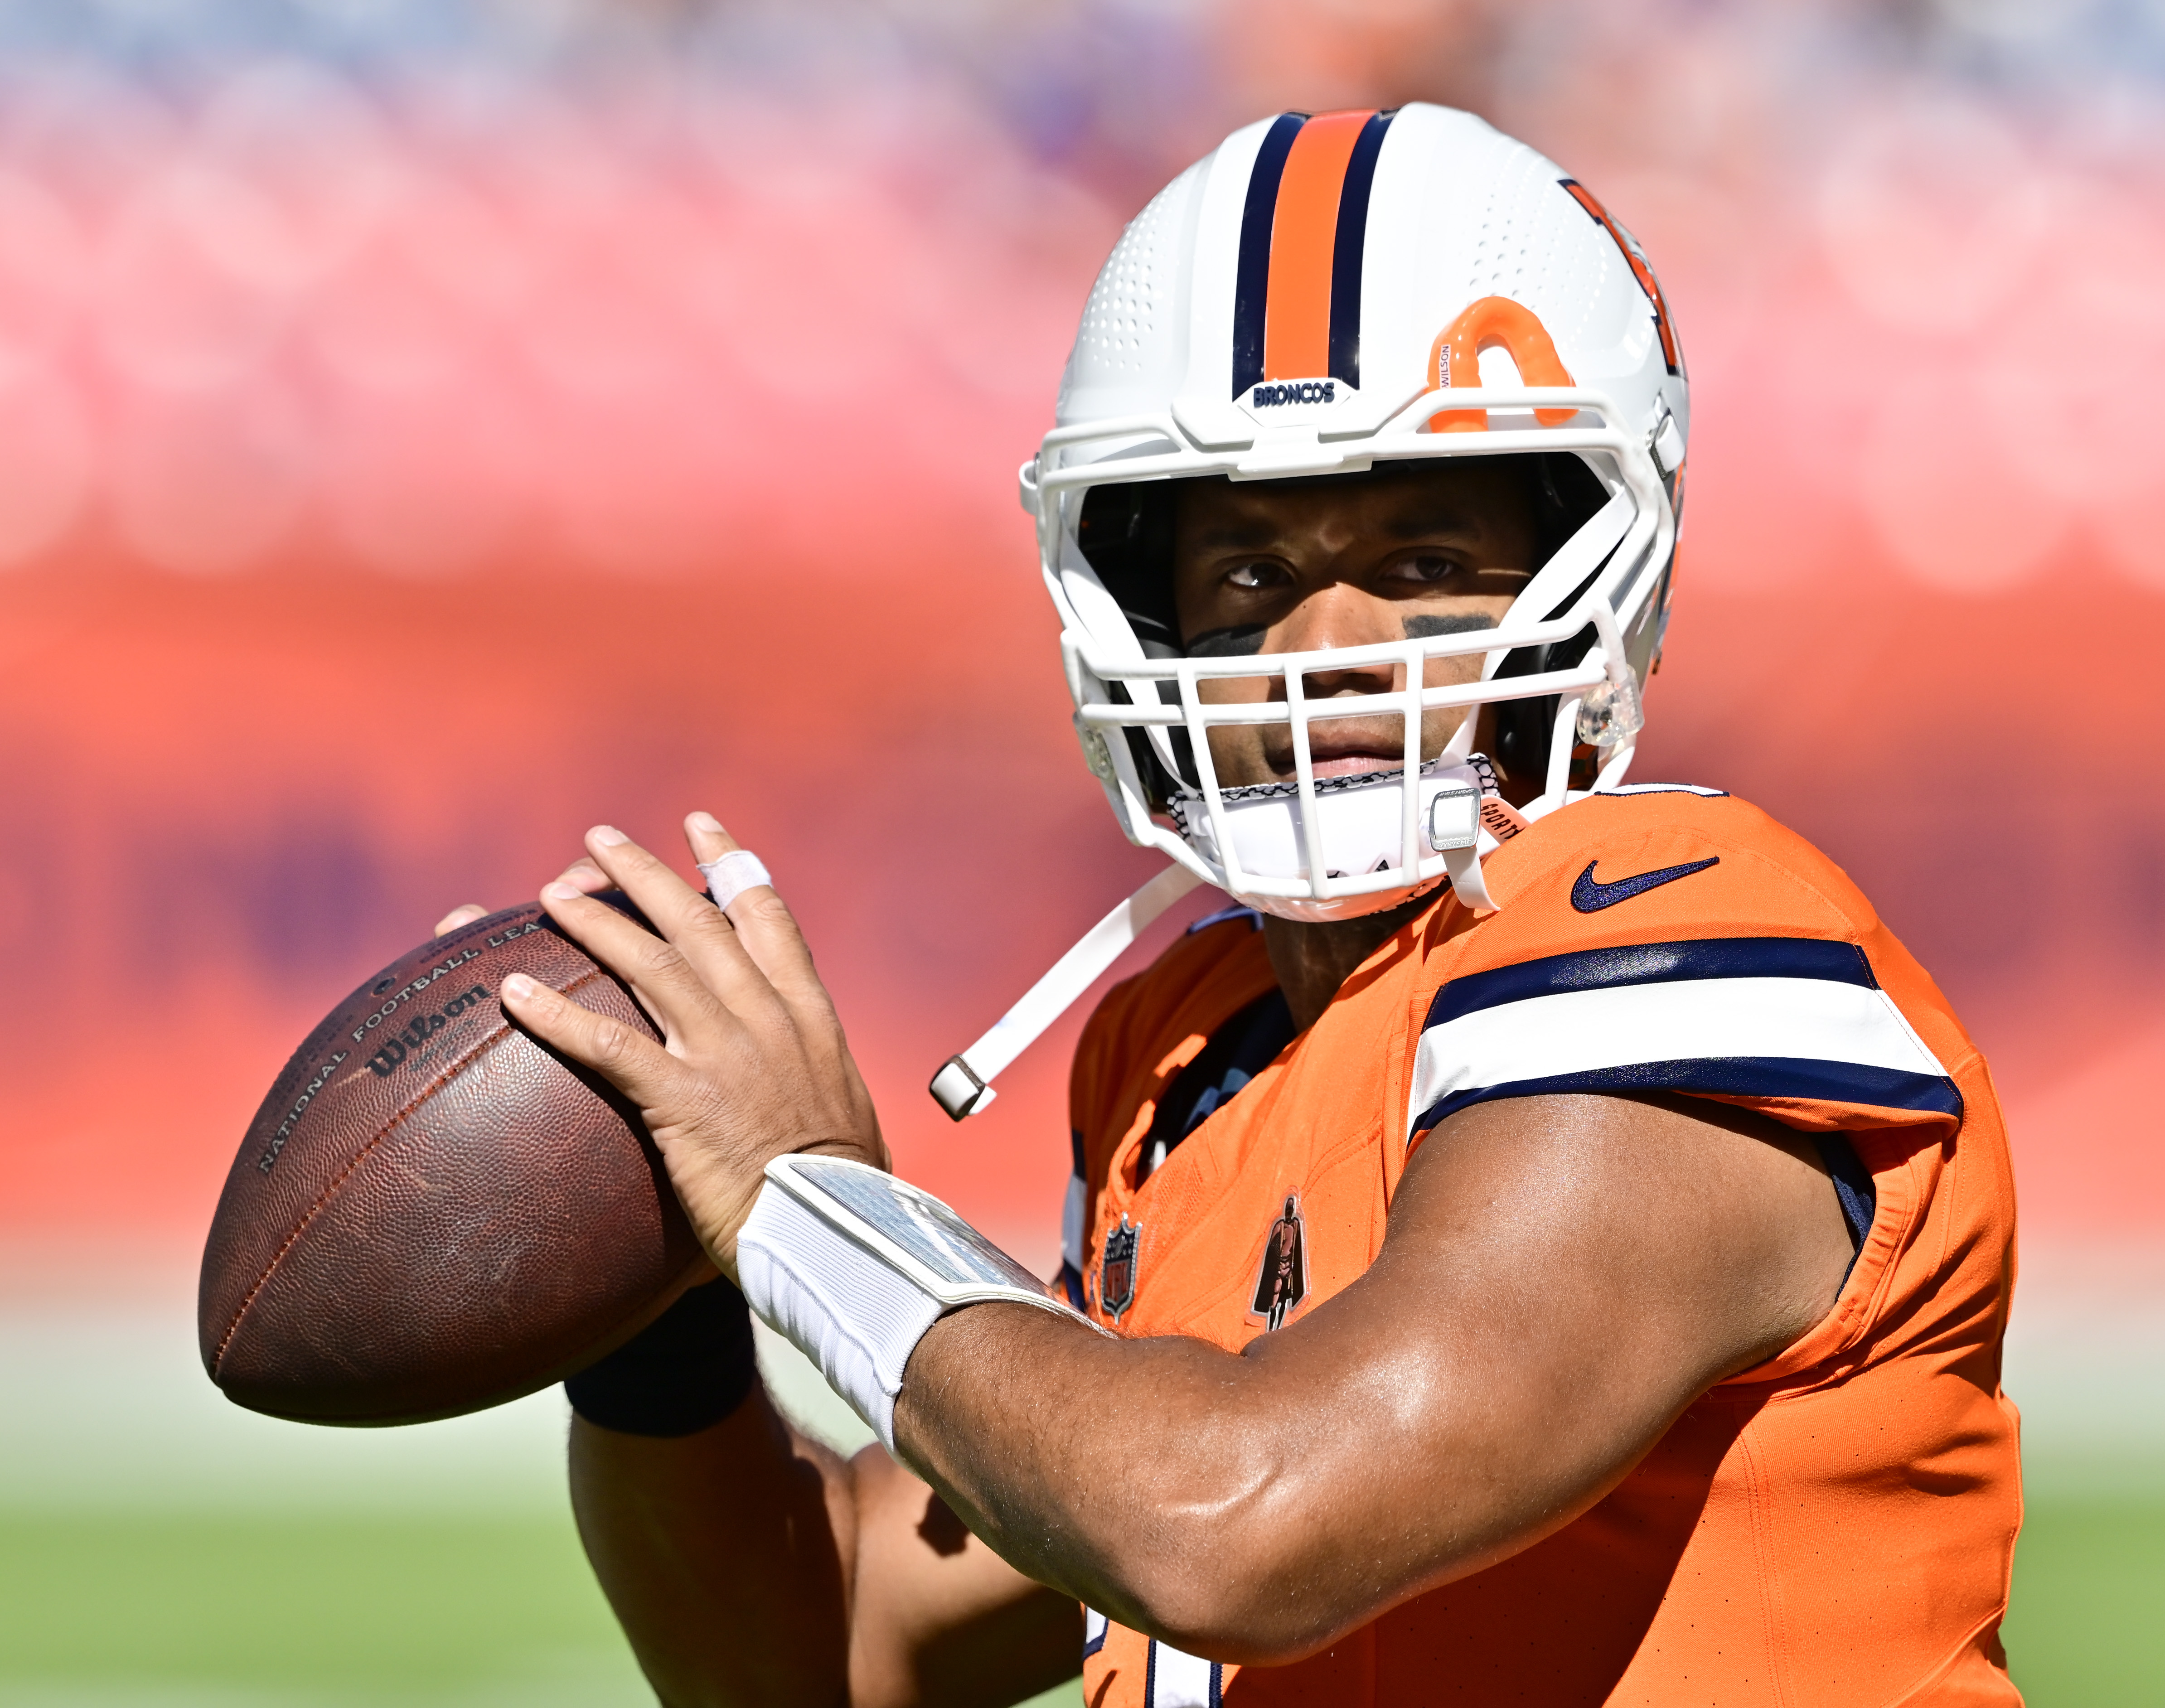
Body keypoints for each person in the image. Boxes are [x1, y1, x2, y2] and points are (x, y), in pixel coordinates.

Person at [438, 105, 2021, 1707]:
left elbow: (1244, 1528)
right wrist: (654, 1300)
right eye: (1251, 572)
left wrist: (807, 1198)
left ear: (1595, 557)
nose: (1328, 638)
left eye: (1419, 554)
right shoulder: (1181, 1041)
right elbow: (830, 1644)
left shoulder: (1667, 924)